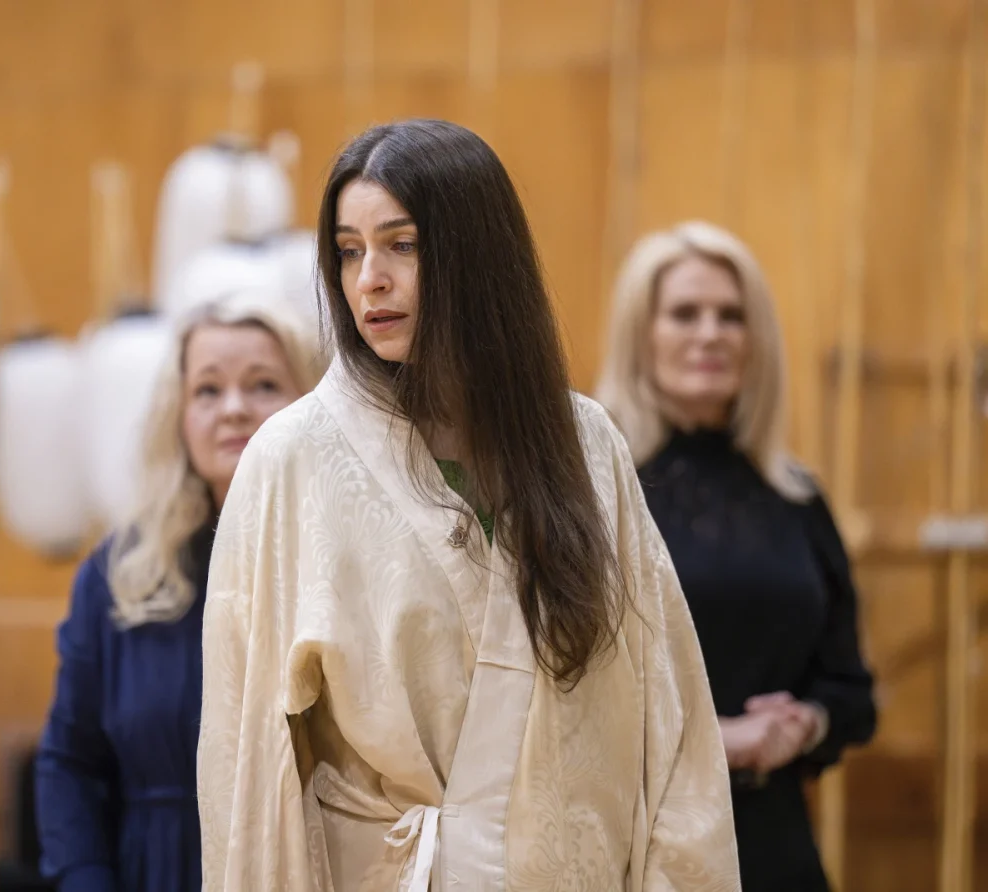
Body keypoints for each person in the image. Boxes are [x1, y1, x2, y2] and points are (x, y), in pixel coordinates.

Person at [197, 119, 740, 891]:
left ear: (477, 255)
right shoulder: (292, 460)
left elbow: (673, 726)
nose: (369, 280)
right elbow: (248, 762)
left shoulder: (586, 446)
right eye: (349, 251)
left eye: (402, 245)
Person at [596, 220, 878, 892]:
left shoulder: (796, 496)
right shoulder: (595, 487)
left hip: (775, 846)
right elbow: (560, 706)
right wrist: (717, 742)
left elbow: (851, 691)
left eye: (731, 316)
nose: (711, 333)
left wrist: (803, 726)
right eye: (685, 313)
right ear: (643, 334)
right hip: (636, 847)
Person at [35, 291, 324, 891]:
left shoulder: (344, 565)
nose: (234, 409)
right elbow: (70, 763)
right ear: (180, 414)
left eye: (264, 384)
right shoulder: (118, 576)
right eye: (208, 390)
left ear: (311, 406)